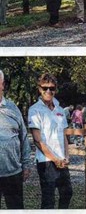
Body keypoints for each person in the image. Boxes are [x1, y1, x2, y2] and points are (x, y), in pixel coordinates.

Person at [28, 73, 73, 209]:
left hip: (61, 160)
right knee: (49, 200)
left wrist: (66, 156)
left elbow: (64, 136)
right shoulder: (34, 110)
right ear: (39, 89)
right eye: (45, 88)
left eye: (52, 88)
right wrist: (54, 159)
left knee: (67, 193)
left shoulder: (60, 109)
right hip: (46, 162)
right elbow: (37, 140)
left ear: (56, 89)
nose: (48, 91)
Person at [0, 69, 31, 209]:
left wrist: (26, 165)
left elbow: (23, 137)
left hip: (13, 173)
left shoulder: (13, 108)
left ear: (2, 85)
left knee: (16, 209)